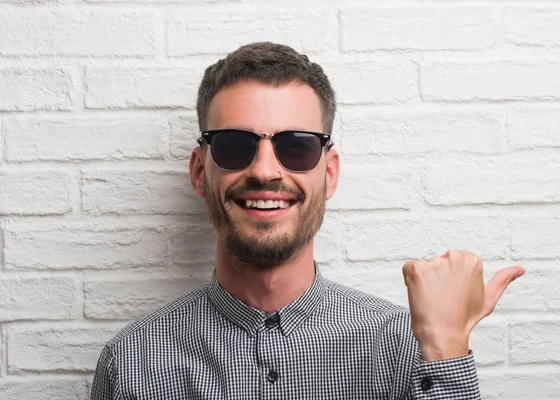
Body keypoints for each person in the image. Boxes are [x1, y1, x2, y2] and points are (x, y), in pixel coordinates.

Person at [90, 42, 524, 399]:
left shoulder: (412, 349)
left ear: (329, 173)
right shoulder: (131, 365)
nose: (264, 171)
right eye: (234, 145)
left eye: (296, 147)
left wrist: (445, 351)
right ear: (201, 172)